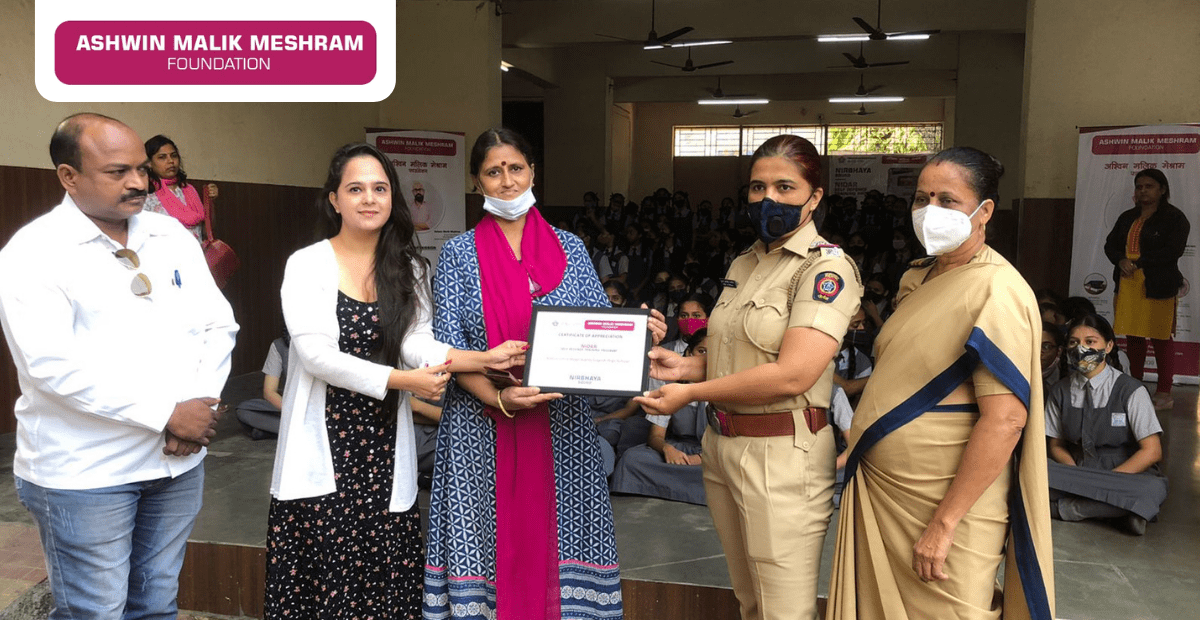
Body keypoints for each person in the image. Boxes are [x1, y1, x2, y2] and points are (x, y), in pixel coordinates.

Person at [265, 143, 526, 620]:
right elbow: (317, 356)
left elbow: (417, 342)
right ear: (334, 200)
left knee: (384, 586)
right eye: (356, 188)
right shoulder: (308, 263)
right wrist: (405, 380)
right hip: (325, 447)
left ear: (392, 198)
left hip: (384, 447)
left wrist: (477, 358)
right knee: (326, 588)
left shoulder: (408, 267)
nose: (369, 198)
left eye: (380, 188)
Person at [0, 113, 238, 620]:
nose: (136, 182)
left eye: (140, 169)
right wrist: (166, 415)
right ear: (69, 176)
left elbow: (218, 326)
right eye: (116, 172)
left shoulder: (169, 234)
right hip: (86, 473)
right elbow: (50, 366)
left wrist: (198, 407)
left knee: (155, 605)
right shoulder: (34, 252)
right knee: (97, 611)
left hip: (177, 462)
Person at [423, 128, 664, 620]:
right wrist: (498, 400)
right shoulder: (456, 256)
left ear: (533, 172)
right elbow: (445, 350)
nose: (507, 181)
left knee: (560, 533)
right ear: (477, 182)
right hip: (479, 427)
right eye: (494, 171)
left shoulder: (571, 249)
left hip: (562, 428)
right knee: (484, 534)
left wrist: (640, 334)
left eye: (516, 168)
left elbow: (600, 334)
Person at [637, 134, 862, 620]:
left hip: (783, 456)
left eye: (785, 187)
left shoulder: (826, 269)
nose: (769, 199)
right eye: (758, 188)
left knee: (784, 609)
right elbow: (735, 353)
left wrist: (691, 391)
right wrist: (684, 366)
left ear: (815, 196)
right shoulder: (745, 261)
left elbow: (792, 375)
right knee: (750, 601)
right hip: (722, 447)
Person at [826, 147, 1054, 620]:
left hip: (947, 503)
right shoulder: (917, 279)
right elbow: (903, 377)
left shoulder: (998, 290)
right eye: (921, 198)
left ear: (984, 210)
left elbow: (1007, 419)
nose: (930, 211)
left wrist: (945, 524)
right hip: (881, 486)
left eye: (947, 200)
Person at [1045, 313, 1167, 535]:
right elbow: (1056, 445)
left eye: (1090, 342)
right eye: (1074, 342)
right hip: (1075, 469)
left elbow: (1152, 451)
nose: (1080, 349)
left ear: (1109, 346)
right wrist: (1079, 479)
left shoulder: (1131, 390)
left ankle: (1066, 509)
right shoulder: (1059, 391)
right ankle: (1122, 511)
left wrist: (1103, 482)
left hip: (1123, 473)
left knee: (1152, 488)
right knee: (1033, 473)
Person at [1104, 168, 1190, 410]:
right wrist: (1121, 260)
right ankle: (1135, 386)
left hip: (1159, 283)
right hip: (1128, 282)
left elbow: (1173, 251)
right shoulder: (1127, 217)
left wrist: (1138, 263)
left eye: (1149, 186)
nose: (1142, 190)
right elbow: (1110, 245)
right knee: (1133, 336)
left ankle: (1164, 392)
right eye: (1139, 186)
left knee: (1161, 337)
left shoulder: (1175, 218)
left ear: (1162, 190)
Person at [611, 330, 710, 505]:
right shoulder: (670, 384)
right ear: (688, 354)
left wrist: (702, 458)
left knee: (724, 471)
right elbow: (656, 436)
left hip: (712, 455)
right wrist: (667, 449)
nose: (706, 360)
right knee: (632, 459)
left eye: (713, 354)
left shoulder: (724, 388)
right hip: (680, 448)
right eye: (701, 352)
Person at [142, 134, 216, 241]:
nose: (170, 161)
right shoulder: (147, 195)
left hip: (195, 255)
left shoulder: (189, 190)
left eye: (174, 155)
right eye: (162, 157)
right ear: (149, 163)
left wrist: (211, 202)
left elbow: (205, 232)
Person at [235, 334, 289, 439]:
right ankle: (299, 429)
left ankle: (276, 431)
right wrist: (292, 411)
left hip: (323, 407)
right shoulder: (279, 345)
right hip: (292, 407)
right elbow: (269, 392)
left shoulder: (323, 342)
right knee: (244, 410)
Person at [1041, 321, 1065, 390]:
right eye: (1033, 345)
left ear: (1059, 351)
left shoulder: (1065, 380)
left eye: (1046, 346)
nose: (1038, 351)